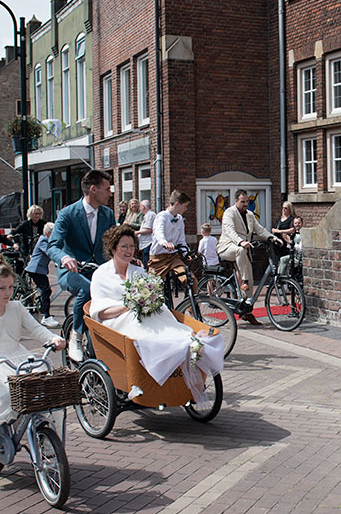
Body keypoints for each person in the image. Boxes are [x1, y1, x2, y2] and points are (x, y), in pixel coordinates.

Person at [89, 226, 223, 397]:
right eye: (124, 246)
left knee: (168, 325)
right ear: (113, 248)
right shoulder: (102, 274)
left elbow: (151, 294)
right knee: (142, 330)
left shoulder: (138, 271)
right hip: (118, 320)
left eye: (132, 246)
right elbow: (99, 312)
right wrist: (129, 306)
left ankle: (184, 344)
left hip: (145, 314)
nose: (129, 251)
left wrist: (149, 300)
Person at [0, 252, 65, 462]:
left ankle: (43, 435)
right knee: (2, 397)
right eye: (1, 288)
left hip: (16, 357)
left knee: (42, 389)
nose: (8, 293)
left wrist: (54, 339)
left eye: (10, 287)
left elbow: (36, 329)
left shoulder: (17, 308)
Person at [48, 169, 117, 361]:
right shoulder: (68, 214)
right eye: (107, 189)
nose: (110, 193)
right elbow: (52, 245)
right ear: (93, 189)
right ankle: (76, 336)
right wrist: (64, 258)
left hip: (98, 270)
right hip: (72, 270)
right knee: (86, 290)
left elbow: (113, 243)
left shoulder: (107, 214)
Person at [216, 190, 273, 325]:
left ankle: (246, 311)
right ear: (236, 201)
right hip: (227, 247)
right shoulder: (229, 213)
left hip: (242, 251)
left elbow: (260, 229)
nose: (245, 204)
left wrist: (272, 237)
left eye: (247, 201)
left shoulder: (250, 215)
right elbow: (230, 230)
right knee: (240, 252)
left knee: (250, 285)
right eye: (242, 201)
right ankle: (244, 281)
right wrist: (241, 242)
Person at [148, 190, 190, 281]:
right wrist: (164, 243)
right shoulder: (162, 216)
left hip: (173, 257)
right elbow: (159, 232)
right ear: (177, 204)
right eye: (185, 206)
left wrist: (186, 253)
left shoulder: (179, 219)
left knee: (189, 279)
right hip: (158, 258)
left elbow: (181, 240)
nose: (186, 209)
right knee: (152, 286)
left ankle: (192, 295)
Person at [25, 223, 58, 327]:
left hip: (39, 270)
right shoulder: (43, 240)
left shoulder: (46, 240)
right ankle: (46, 316)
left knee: (45, 290)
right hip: (35, 270)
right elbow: (50, 252)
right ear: (49, 233)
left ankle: (43, 311)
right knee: (46, 290)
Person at [135, 199, 155, 267]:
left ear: (143, 207)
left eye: (140, 207)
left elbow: (149, 229)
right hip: (144, 243)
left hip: (148, 243)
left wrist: (137, 232)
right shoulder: (147, 215)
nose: (139, 209)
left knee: (147, 264)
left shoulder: (150, 215)